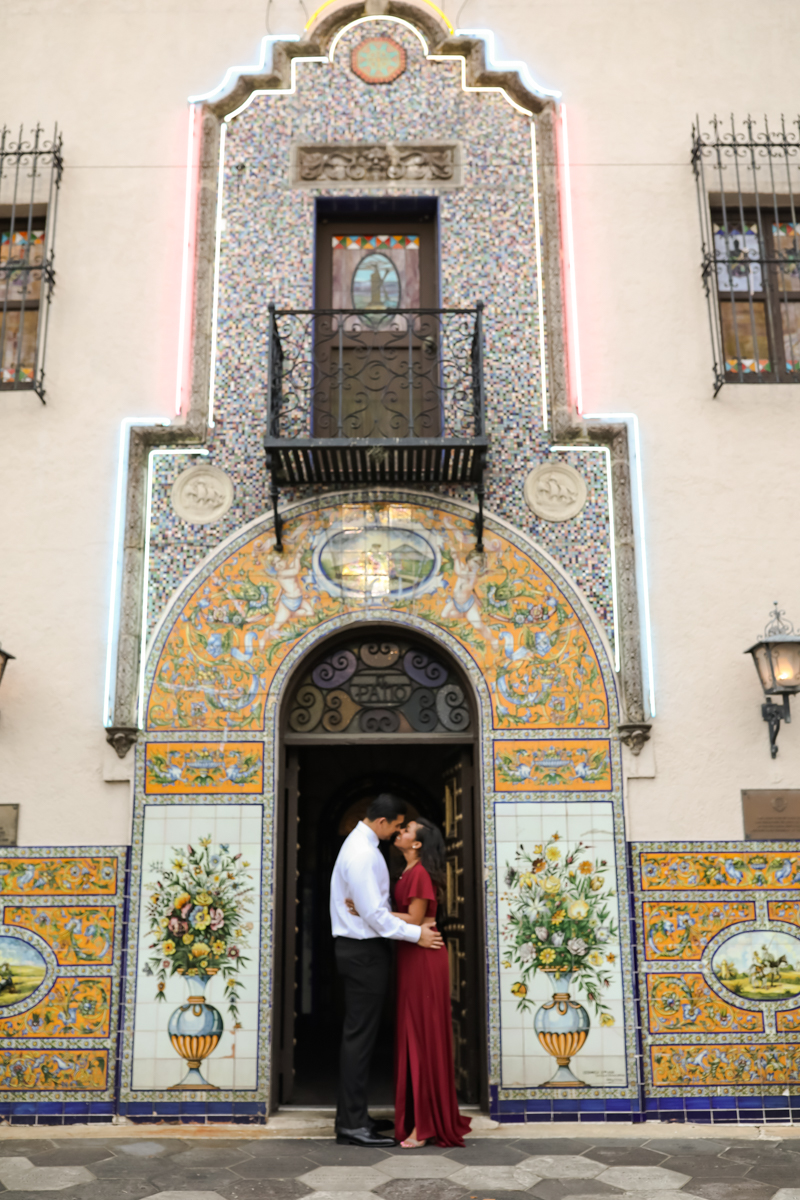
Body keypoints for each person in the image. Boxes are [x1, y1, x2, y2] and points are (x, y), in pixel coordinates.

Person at [347, 817, 471, 1148]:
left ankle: (425, 1126)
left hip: (423, 957)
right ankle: (418, 1120)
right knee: (412, 1034)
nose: (399, 832)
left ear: (416, 844)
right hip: (411, 954)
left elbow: (415, 919)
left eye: (406, 830)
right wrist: (368, 909)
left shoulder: (419, 874)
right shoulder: (406, 871)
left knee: (421, 1037)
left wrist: (367, 910)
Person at [330, 793, 444, 1148]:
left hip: (363, 950)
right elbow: (374, 915)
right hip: (363, 952)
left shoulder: (362, 846)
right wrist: (416, 934)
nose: (397, 832)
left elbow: (372, 910)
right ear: (381, 821)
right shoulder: (364, 854)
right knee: (359, 1038)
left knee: (361, 1036)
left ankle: (355, 1117)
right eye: (396, 826)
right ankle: (351, 1124)